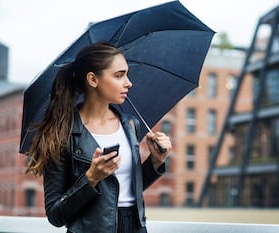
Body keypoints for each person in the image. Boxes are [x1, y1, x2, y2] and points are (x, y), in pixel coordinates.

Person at [26, 42, 171, 233]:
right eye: (119, 75)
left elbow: (125, 190)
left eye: (126, 74)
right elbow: (55, 215)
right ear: (93, 79)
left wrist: (155, 162)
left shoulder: (130, 125)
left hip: (135, 228)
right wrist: (91, 178)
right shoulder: (62, 133)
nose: (128, 82)